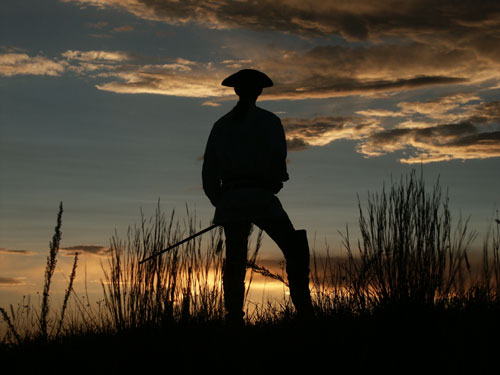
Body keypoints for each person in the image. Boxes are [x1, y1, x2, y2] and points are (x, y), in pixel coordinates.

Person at [202, 69, 313, 325]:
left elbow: (209, 172)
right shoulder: (269, 121)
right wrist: (271, 184)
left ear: (236, 91)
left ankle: (233, 318)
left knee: (235, 260)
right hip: (261, 197)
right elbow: (279, 167)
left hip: (231, 199)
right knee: (294, 248)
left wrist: (221, 201)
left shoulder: (220, 126)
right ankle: (305, 311)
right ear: (259, 92)